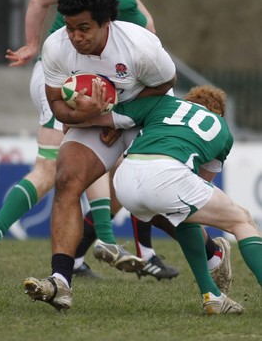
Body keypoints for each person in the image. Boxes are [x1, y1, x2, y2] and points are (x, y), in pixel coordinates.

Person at [1, 0, 179, 280]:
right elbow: (150, 30)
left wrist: (32, 44)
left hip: (70, 81)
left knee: (91, 172)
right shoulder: (121, 4)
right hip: (69, 84)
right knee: (60, 171)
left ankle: (95, 254)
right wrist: (99, 115)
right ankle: (106, 246)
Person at [85, 83, 262, 315]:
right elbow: (201, 180)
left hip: (125, 178)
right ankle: (214, 285)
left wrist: (71, 119)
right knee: (242, 220)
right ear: (218, 113)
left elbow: (109, 118)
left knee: (186, 214)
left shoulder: (164, 104)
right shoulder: (221, 128)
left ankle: (212, 295)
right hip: (167, 175)